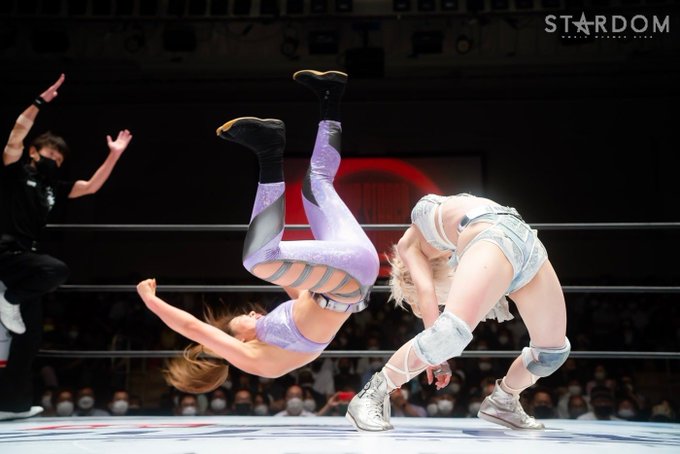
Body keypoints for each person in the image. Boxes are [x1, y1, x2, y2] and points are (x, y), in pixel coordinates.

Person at [136, 70, 379, 395]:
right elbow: (194, 328)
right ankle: (268, 151)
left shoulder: (284, 330)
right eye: (242, 320)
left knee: (317, 183)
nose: (251, 312)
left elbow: (294, 279)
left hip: (352, 266)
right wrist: (151, 301)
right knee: (258, 260)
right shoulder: (257, 360)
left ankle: (330, 96)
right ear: (239, 339)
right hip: (349, 276)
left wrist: (280, 273)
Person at [346, 193, 568, 431]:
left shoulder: (408, 243)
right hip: (498, 237)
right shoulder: (436, 246)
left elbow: (425, 292)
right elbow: (429, 297)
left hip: (513, 235)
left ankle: (504, 401)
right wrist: (437, 353)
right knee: (449, 334)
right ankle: (371, 394)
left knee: (551, 353)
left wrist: (437, 356)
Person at [0, 74, 133, 421]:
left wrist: (114, 156)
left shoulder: (53, 187)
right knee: (56, 269)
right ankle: (9, 299)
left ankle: (11, 404)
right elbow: (16, 134)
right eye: (50, 154)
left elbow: (90, 187)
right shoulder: (15, 171)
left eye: (60, 158)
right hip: (5, 251)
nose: (55, 160)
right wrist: (39, 102)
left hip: (25, 261)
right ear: (33, 152)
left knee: (29, 337)